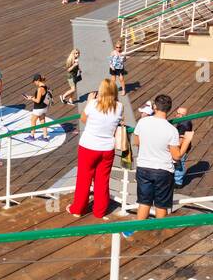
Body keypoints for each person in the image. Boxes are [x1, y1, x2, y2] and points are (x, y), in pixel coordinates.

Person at [68, 79, 127, 219]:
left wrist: (89, 101)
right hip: (107, 149)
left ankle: (78, 209)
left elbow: (83, 119)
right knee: (102, 180)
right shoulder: (119, 106)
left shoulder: (93, 104)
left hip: (89, 146)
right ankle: (100, 211)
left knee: (84, 179)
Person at [131, 94, 187, 222]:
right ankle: (159, 233)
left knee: (144, 202)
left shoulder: (143, 122)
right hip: (163, 170)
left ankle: (139, 229)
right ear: (169, 109)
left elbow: (137, 142)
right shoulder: (172, 130)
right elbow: (176, 156)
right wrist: (187, 142)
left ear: (155, 107)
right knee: (161, 205)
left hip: (144, 167)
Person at [23, 74, 53, 140]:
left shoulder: (40, 89)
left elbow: (38, 100)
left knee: (33, 121)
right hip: (44, 107)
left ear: (37, 80)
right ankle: (45, 137)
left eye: (34, 82)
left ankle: (32, 136)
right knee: (42, 121)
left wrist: (30, 98)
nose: (34, 83)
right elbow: (41, 98)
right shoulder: (45, 86)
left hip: (38, 108)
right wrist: (32, 97)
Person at [173, 106, 194, 188]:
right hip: (186, 145)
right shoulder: (186, 121)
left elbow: (180, 140)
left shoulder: (183, 125)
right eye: (177, 113)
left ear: (184, 115)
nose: (177, 115)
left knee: (179, 164)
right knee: (179, 164)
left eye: (180, 114)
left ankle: (178, 183)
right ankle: (177, 180)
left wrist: (175, 148)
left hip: (182, 147)